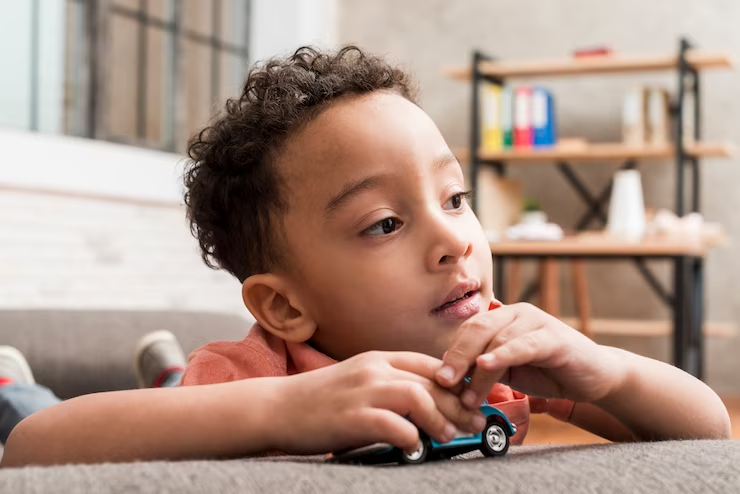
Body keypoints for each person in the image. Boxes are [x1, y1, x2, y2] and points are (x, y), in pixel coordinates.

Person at [178, 45, 731, 446]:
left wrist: (610, 374)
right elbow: (87, 436)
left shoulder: (495, 355)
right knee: (168, 390)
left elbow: (707, 429)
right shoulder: (252, 376)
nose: (454, 240)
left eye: (455, 198)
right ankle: (163, 371)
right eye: (385, 224)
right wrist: (278, 410)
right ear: (286, 306)